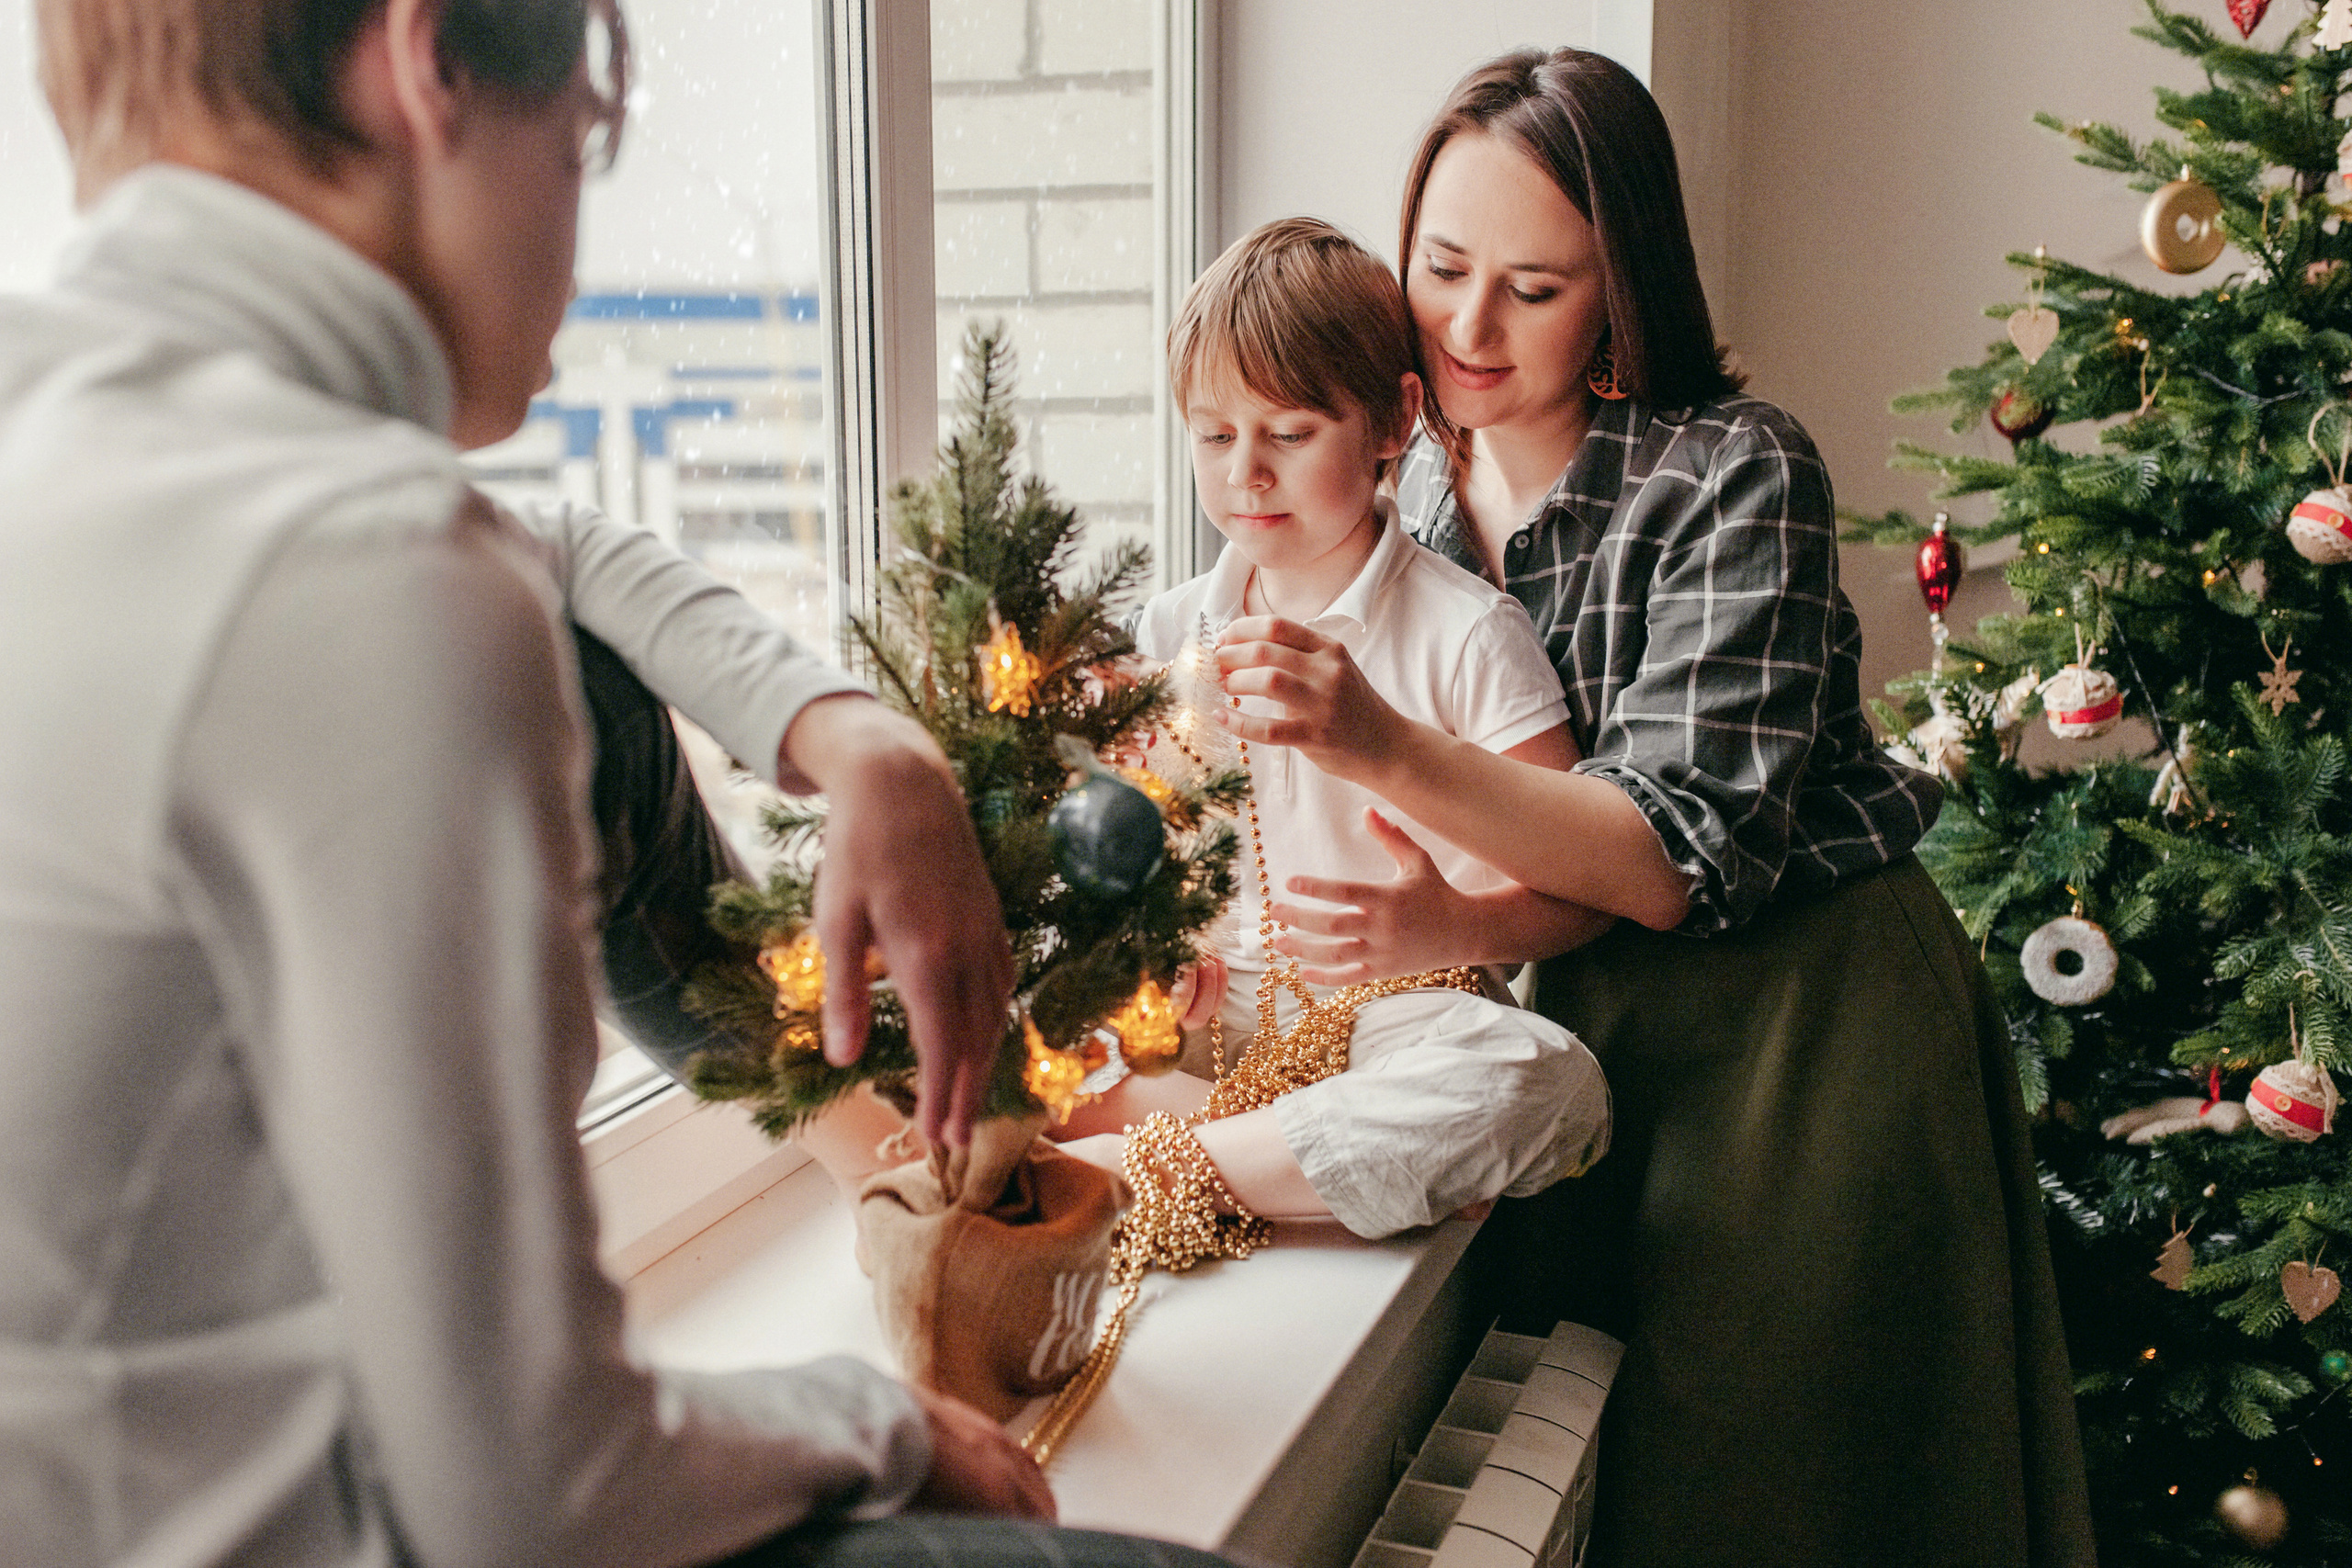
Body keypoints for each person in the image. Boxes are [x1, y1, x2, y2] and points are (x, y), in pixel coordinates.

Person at [0, 2, 1233, 1565]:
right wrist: (884, 1422)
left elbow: (557, 545)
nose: (578, 250)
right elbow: (536, 1500)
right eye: (587, 138)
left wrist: (859, 733)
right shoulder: (359, 571)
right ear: (429, 60)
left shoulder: (93, 444)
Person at [1208, 50, 2098, 1568]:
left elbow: (1669, 852)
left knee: (1810, 1500)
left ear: (1622, 287)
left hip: (1809, 1047)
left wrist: (1379, 742)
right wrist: (1423, 925)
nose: (1472, 329)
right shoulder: (1405, 504)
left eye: (1537, 288)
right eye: (1441, 269)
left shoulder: (1734, 472)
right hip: (1582, 1051)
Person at [1037, 217, 1609, 1241]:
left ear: (1392, 423)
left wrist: (1456, 923)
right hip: (1216, 1031)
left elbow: (1578, 892)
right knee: (1004, 1030)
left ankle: (1139, 1166)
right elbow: (1145, 867)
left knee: (1545, 1080)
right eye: (1214, 436)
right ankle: (1271, 1153)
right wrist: (1156, 965)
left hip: (1394, 1020)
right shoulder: (1172, 630)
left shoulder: (1469, 633)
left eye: (1289, 434)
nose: (1245, 473)